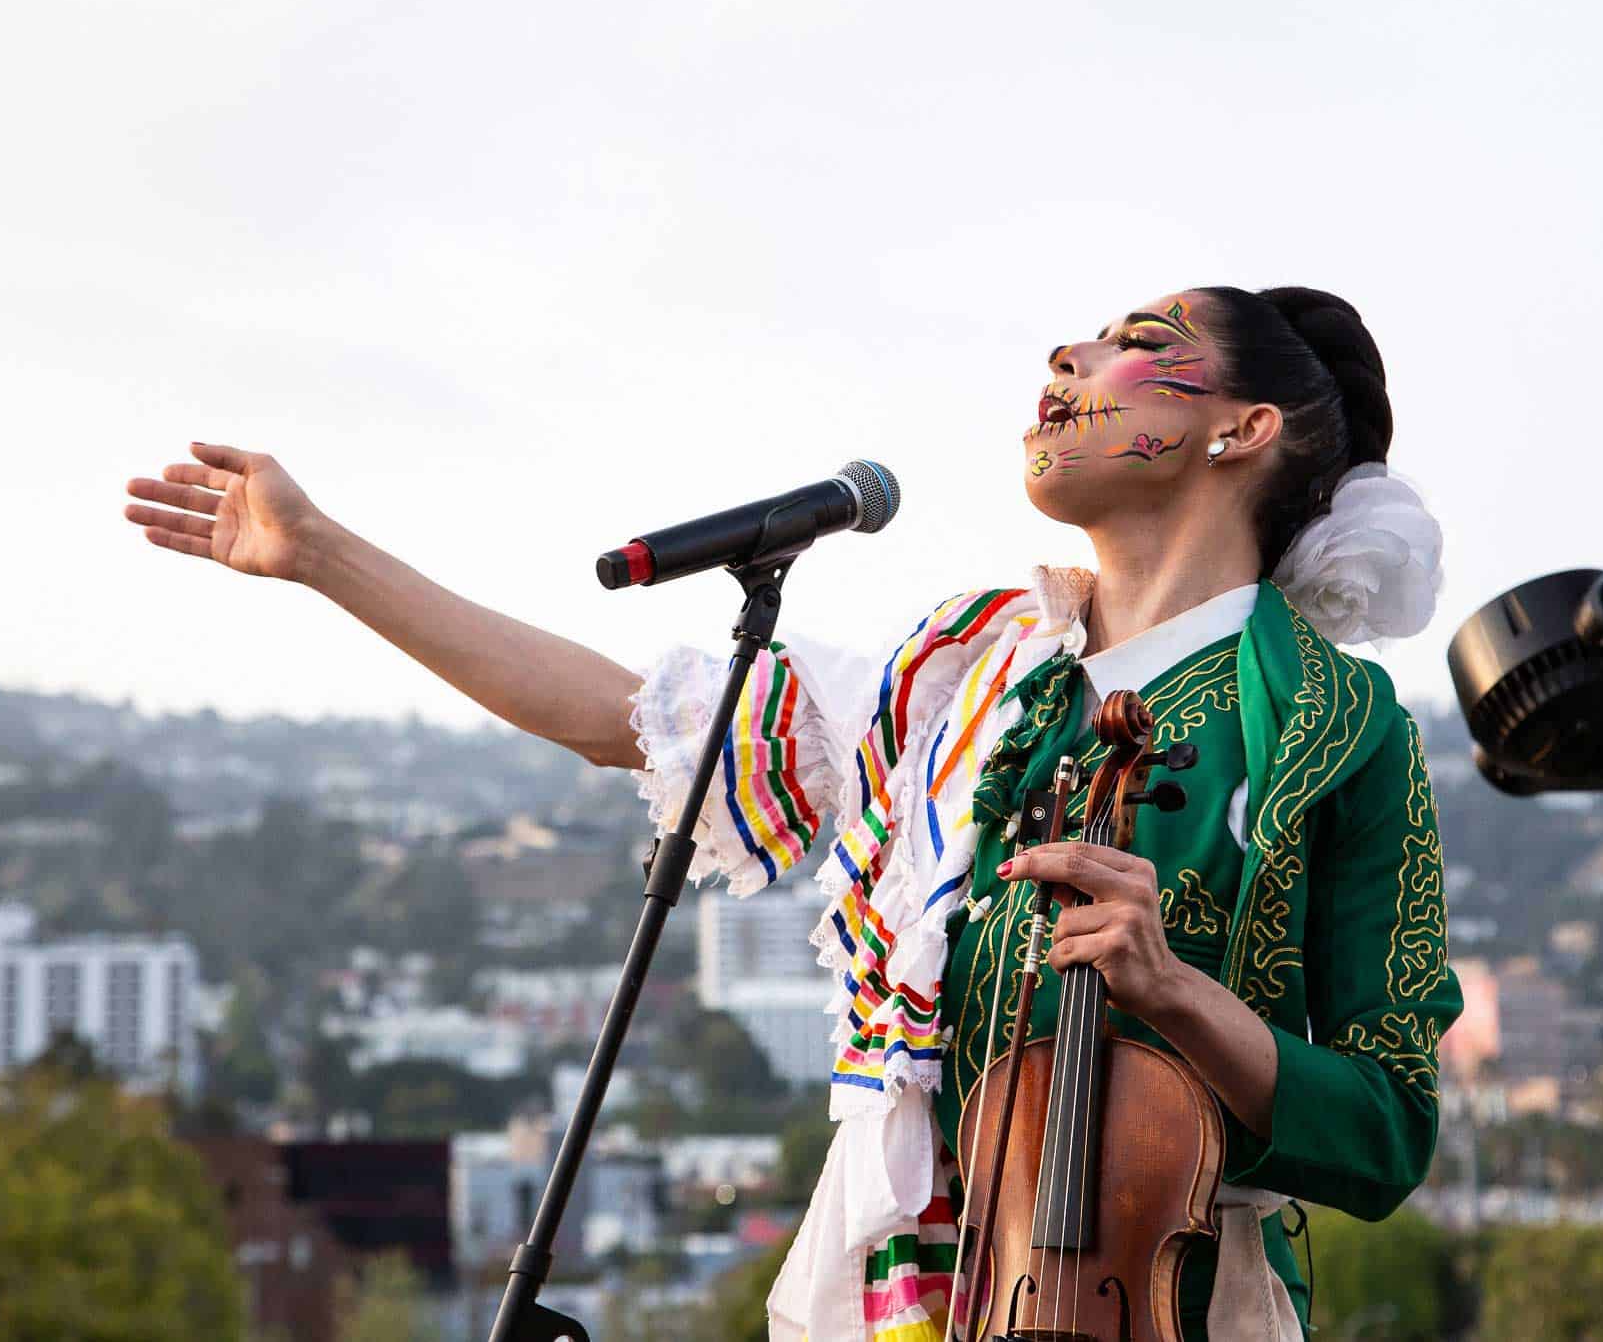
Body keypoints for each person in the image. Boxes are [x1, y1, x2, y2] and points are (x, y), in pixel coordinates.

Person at [123, 284, 1459, 1342]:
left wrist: (1181, 995)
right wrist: (325, 556)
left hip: (1176, 1303)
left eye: (1138, 342)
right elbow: (634, 718)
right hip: (913, 1297)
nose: (1068, 353)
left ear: (1241, 429)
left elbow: (1390, 1124)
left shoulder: (1336, 728)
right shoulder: (966, 668)